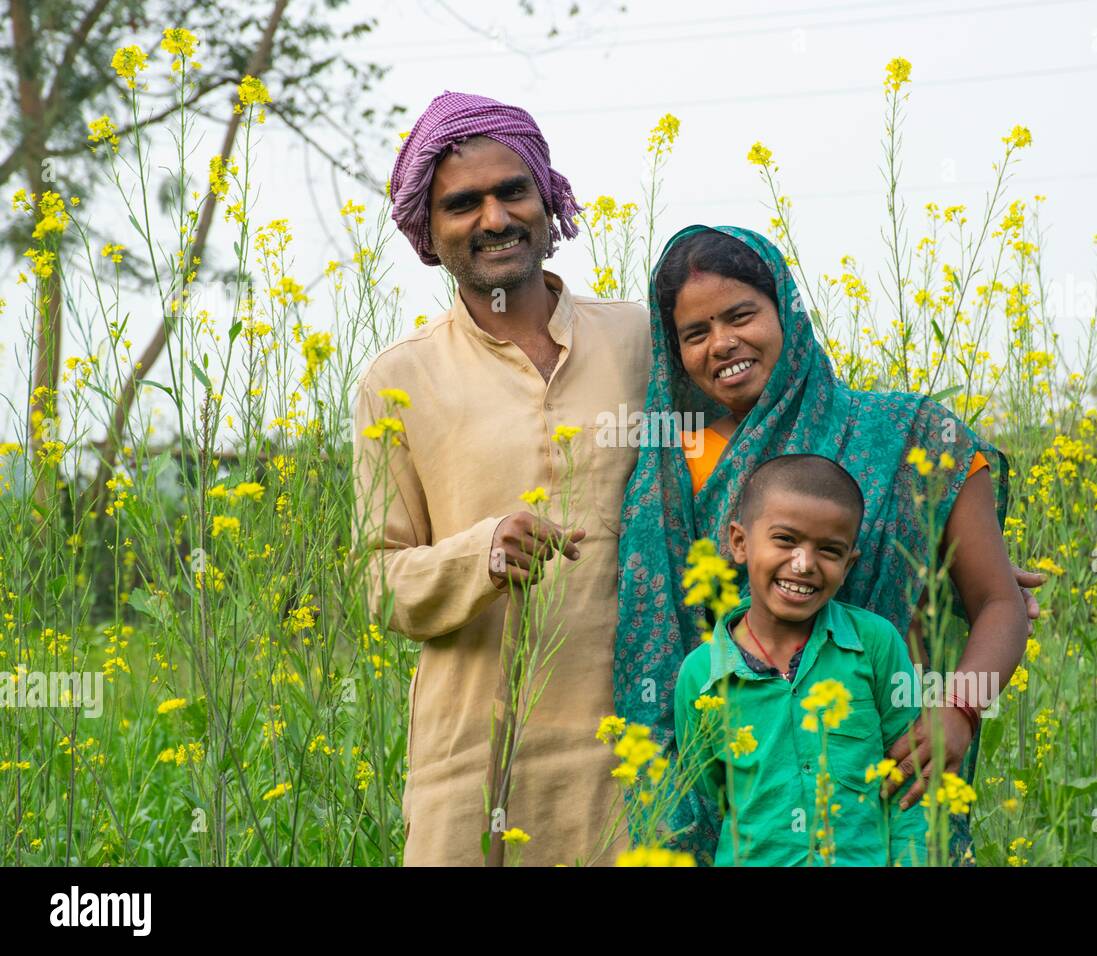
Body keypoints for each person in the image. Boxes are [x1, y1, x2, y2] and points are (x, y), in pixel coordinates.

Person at [616, 225, 1037, 864]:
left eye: (740, 315)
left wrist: (961, 710)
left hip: (892, 785)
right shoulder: (669, 466)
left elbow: (999, 602)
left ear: (784, 309)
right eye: (694, 333)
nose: (721, 343)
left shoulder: (914, 435)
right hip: (744, 808)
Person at [355, 91, 649, 865]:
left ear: (547, 199)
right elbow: (379, 581)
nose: (494, 218)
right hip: (472, 764)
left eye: (512, 190)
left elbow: (764, 462)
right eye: (462, 203)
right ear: (430, 229)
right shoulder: (399, 378)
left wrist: (955, 517)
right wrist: (482, 552)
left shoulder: (642, 339)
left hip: (635, 752)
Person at [674, 454, 928, 866]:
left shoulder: (876, 643)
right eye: (786, 540)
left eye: (829, 551)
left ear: (849, 566)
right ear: (739, 543)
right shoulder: (701, 675)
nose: (804, 564)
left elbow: (909, 780)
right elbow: (711, 789)